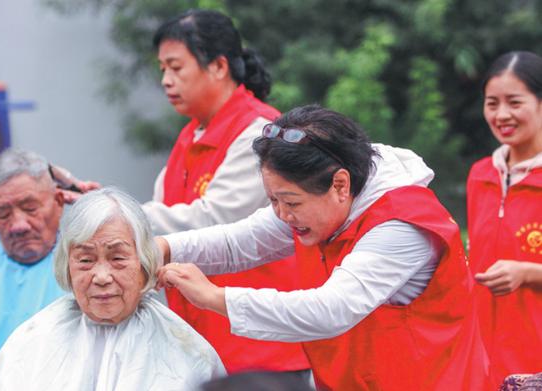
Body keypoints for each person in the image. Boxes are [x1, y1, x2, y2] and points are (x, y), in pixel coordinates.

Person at [155, 105, 488, 390]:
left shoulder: (400, 225)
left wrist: (215, 298)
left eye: (290, 202)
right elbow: (243, 239)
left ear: (340, 184)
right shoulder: (323, 206)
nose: (283, 215)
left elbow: (332, 309)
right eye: (273, 200)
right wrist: (164, 248)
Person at [139, 9, 309, 374]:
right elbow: (161, 210)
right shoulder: (189, 136)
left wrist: (121, 216)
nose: (166, 80)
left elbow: (215, 218)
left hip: (259, 348)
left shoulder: (260, 132)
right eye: (162, 70)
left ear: (218, 66)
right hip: (205, 342)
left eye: (176, 67)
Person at [0, 187, 225, 390]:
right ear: (67, 267)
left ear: (144, 263)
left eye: (117, 258)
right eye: (85, 260)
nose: (102, 277)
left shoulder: (187, 351)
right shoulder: (31, 343)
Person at [467, 51, 542, 388]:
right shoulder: (481, 174)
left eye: (514, 102)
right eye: (491, 103)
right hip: (481, 359)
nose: (502, 115)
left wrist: (527, 272)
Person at [0, 148, 66, 358]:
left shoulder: (88, 263)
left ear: (59, 202)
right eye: (3, 214)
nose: (18, 225)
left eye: (30, 208)